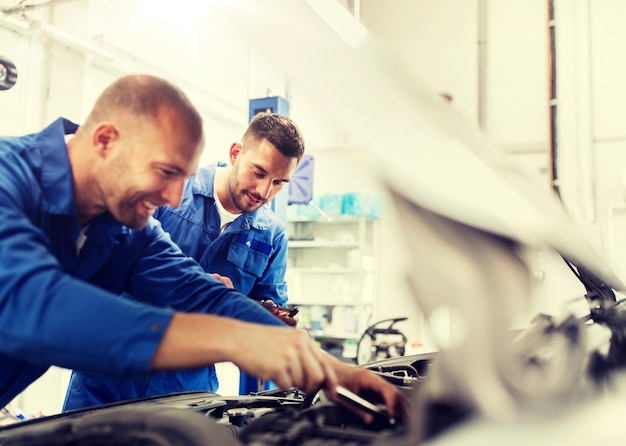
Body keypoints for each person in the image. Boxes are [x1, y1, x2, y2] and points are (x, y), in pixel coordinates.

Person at [0, 74, 406, 423]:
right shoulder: (8, 180)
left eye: (185, 178)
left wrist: (327, 367)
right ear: (106, 140)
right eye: (165, 173)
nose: (175, 198)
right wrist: (232, 340)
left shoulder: (123, 228)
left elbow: (200, 292)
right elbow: (33, 305)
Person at [64, 112, 303, 407]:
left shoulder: (272, 235)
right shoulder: (170, 189)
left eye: (279, 182)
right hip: (112, 369)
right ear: (235, 153)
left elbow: (267, 319)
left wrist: (268, 320)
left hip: (187, 387)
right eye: (259, 172)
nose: (264, 191)